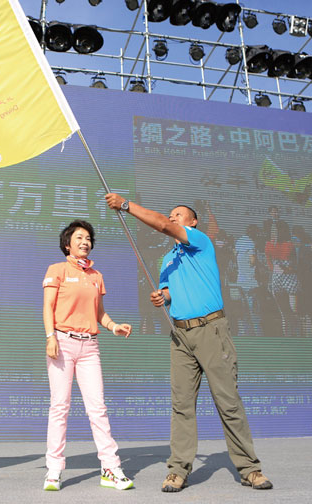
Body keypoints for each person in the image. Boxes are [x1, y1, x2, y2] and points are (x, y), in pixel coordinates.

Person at [105, 194, 272, 493]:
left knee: (228, 402)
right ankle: (177, 470)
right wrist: (162, 296)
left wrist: (126, 205)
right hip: (180, 335)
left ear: (193, 222)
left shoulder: (200, 241)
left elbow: (162, 225)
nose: (173, 218)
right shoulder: (168, 259)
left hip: (211, 330)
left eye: (178, 215)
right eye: (171, 214)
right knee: (181, 405)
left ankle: (250, 469)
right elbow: (169, 290)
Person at [42, 220, 133, 492]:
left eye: (88, 238)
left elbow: (99, 313)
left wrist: (114, 326)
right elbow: (48, 306)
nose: (85, 242)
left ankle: (110, 468)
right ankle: (54, 470)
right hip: (62, 343)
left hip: (89, 347)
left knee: (98, 408)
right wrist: (50, 336)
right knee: (60, 407)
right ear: (67, 244)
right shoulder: (57, 270)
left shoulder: (96, 275)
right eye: (79, 238)